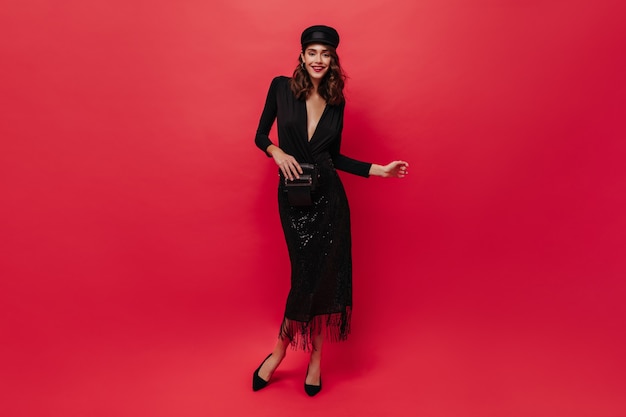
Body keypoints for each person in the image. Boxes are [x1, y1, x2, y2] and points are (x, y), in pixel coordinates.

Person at [252, 25, 408, 396]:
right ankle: (278, 352)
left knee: (323, 281)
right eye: (312, 53)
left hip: (330, 201)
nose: (318, 60)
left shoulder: (337, 102)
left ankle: (316, 360)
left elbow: (333, 157)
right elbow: (260, 135)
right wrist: (277, 152)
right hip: (293, 198)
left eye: (326, 54)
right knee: (304, 278)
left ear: (333, 60)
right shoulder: (280, 87)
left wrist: (377, 170)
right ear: (302, 57)